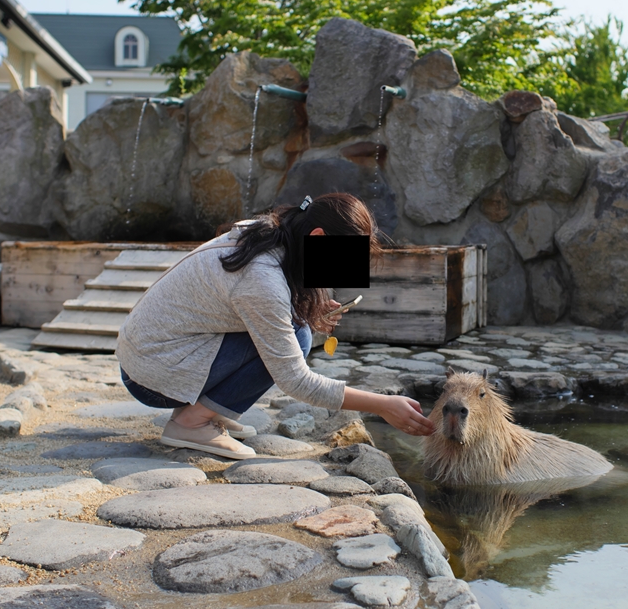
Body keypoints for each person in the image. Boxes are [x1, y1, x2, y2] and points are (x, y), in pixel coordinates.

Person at [116, 192, 435, 459]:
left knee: (298, 328)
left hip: (150, 354)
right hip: (150, 375)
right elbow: (295, 380)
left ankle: (206, 411)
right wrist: (382, 405)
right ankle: (191, 422)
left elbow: (255, 301)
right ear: (318, 238)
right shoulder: (261, 279)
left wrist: (308, 306)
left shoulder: (269, 232)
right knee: (298, 337)